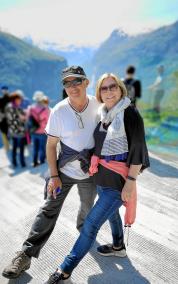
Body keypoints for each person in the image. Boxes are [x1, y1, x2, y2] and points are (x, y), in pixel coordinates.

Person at [43, 73, 150, 283]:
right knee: (112, 215)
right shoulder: (105, 114)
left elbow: (138, 150)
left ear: (121, 89)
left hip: (118, 183)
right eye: (104, 88)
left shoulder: (129, 114)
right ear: (99, 93)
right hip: (101, 179)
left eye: (113, 87)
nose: (109, 91)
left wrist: (131, 182)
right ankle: (118, 246)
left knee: (91, 224)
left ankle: (64, 269)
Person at [2, 65, 100, 279]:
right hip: (64, 170)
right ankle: (25, 254)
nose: (72, 86)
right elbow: (50, 146)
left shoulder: (98, 104)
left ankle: (83, 231)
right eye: (67, 83)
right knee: (47, 209)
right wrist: (54, 176)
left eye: (76, 81)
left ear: (86, 82)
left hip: (90, 172)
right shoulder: (59, 111)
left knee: (87, 206)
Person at [27, 91, 50, 167]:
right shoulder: (46, 109)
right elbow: (48, 121)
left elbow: (28, 118)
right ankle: (42, 161)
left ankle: (34, 162)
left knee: (35, 148)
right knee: (42, 148)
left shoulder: (31, 108)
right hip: (42, 132)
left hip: (33, 131)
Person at [5, 90, 27, 167]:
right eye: (19, 99)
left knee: (14, 148)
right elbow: (18, 120)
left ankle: (14, 163)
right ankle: (22, 163)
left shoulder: (9, 107)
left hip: (12, 132)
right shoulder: (16, 108)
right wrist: (23, 118)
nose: (20, 101)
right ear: (15, 99)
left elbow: (9, 119)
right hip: (19, 132)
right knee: (21, 149)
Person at [0, 85, 10, 151]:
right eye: (3, 89)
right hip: (3, 119)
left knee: (7, 133)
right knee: (4, 133)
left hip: (9, 118)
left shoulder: (10, 99)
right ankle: (7, 146)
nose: (4, 91)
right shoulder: (1, 99)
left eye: (5, 89)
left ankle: (7, 146)